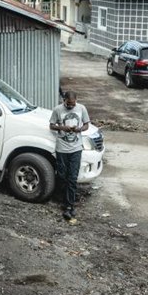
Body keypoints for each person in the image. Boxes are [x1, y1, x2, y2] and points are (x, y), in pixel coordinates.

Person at [49, 90, 90, 222]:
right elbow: (51, 125)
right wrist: (62, 128)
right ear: (64, 100)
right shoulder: (57, 110)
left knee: (72, 177)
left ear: (76, 100)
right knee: (62, 176)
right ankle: (63, 198)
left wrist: (79, 129)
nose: (71, 106)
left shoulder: (82, 108)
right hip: (61, 149)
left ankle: (69, 206)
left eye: (73, 104)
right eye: (69, 104)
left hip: (76, 149)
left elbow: (86, 125)